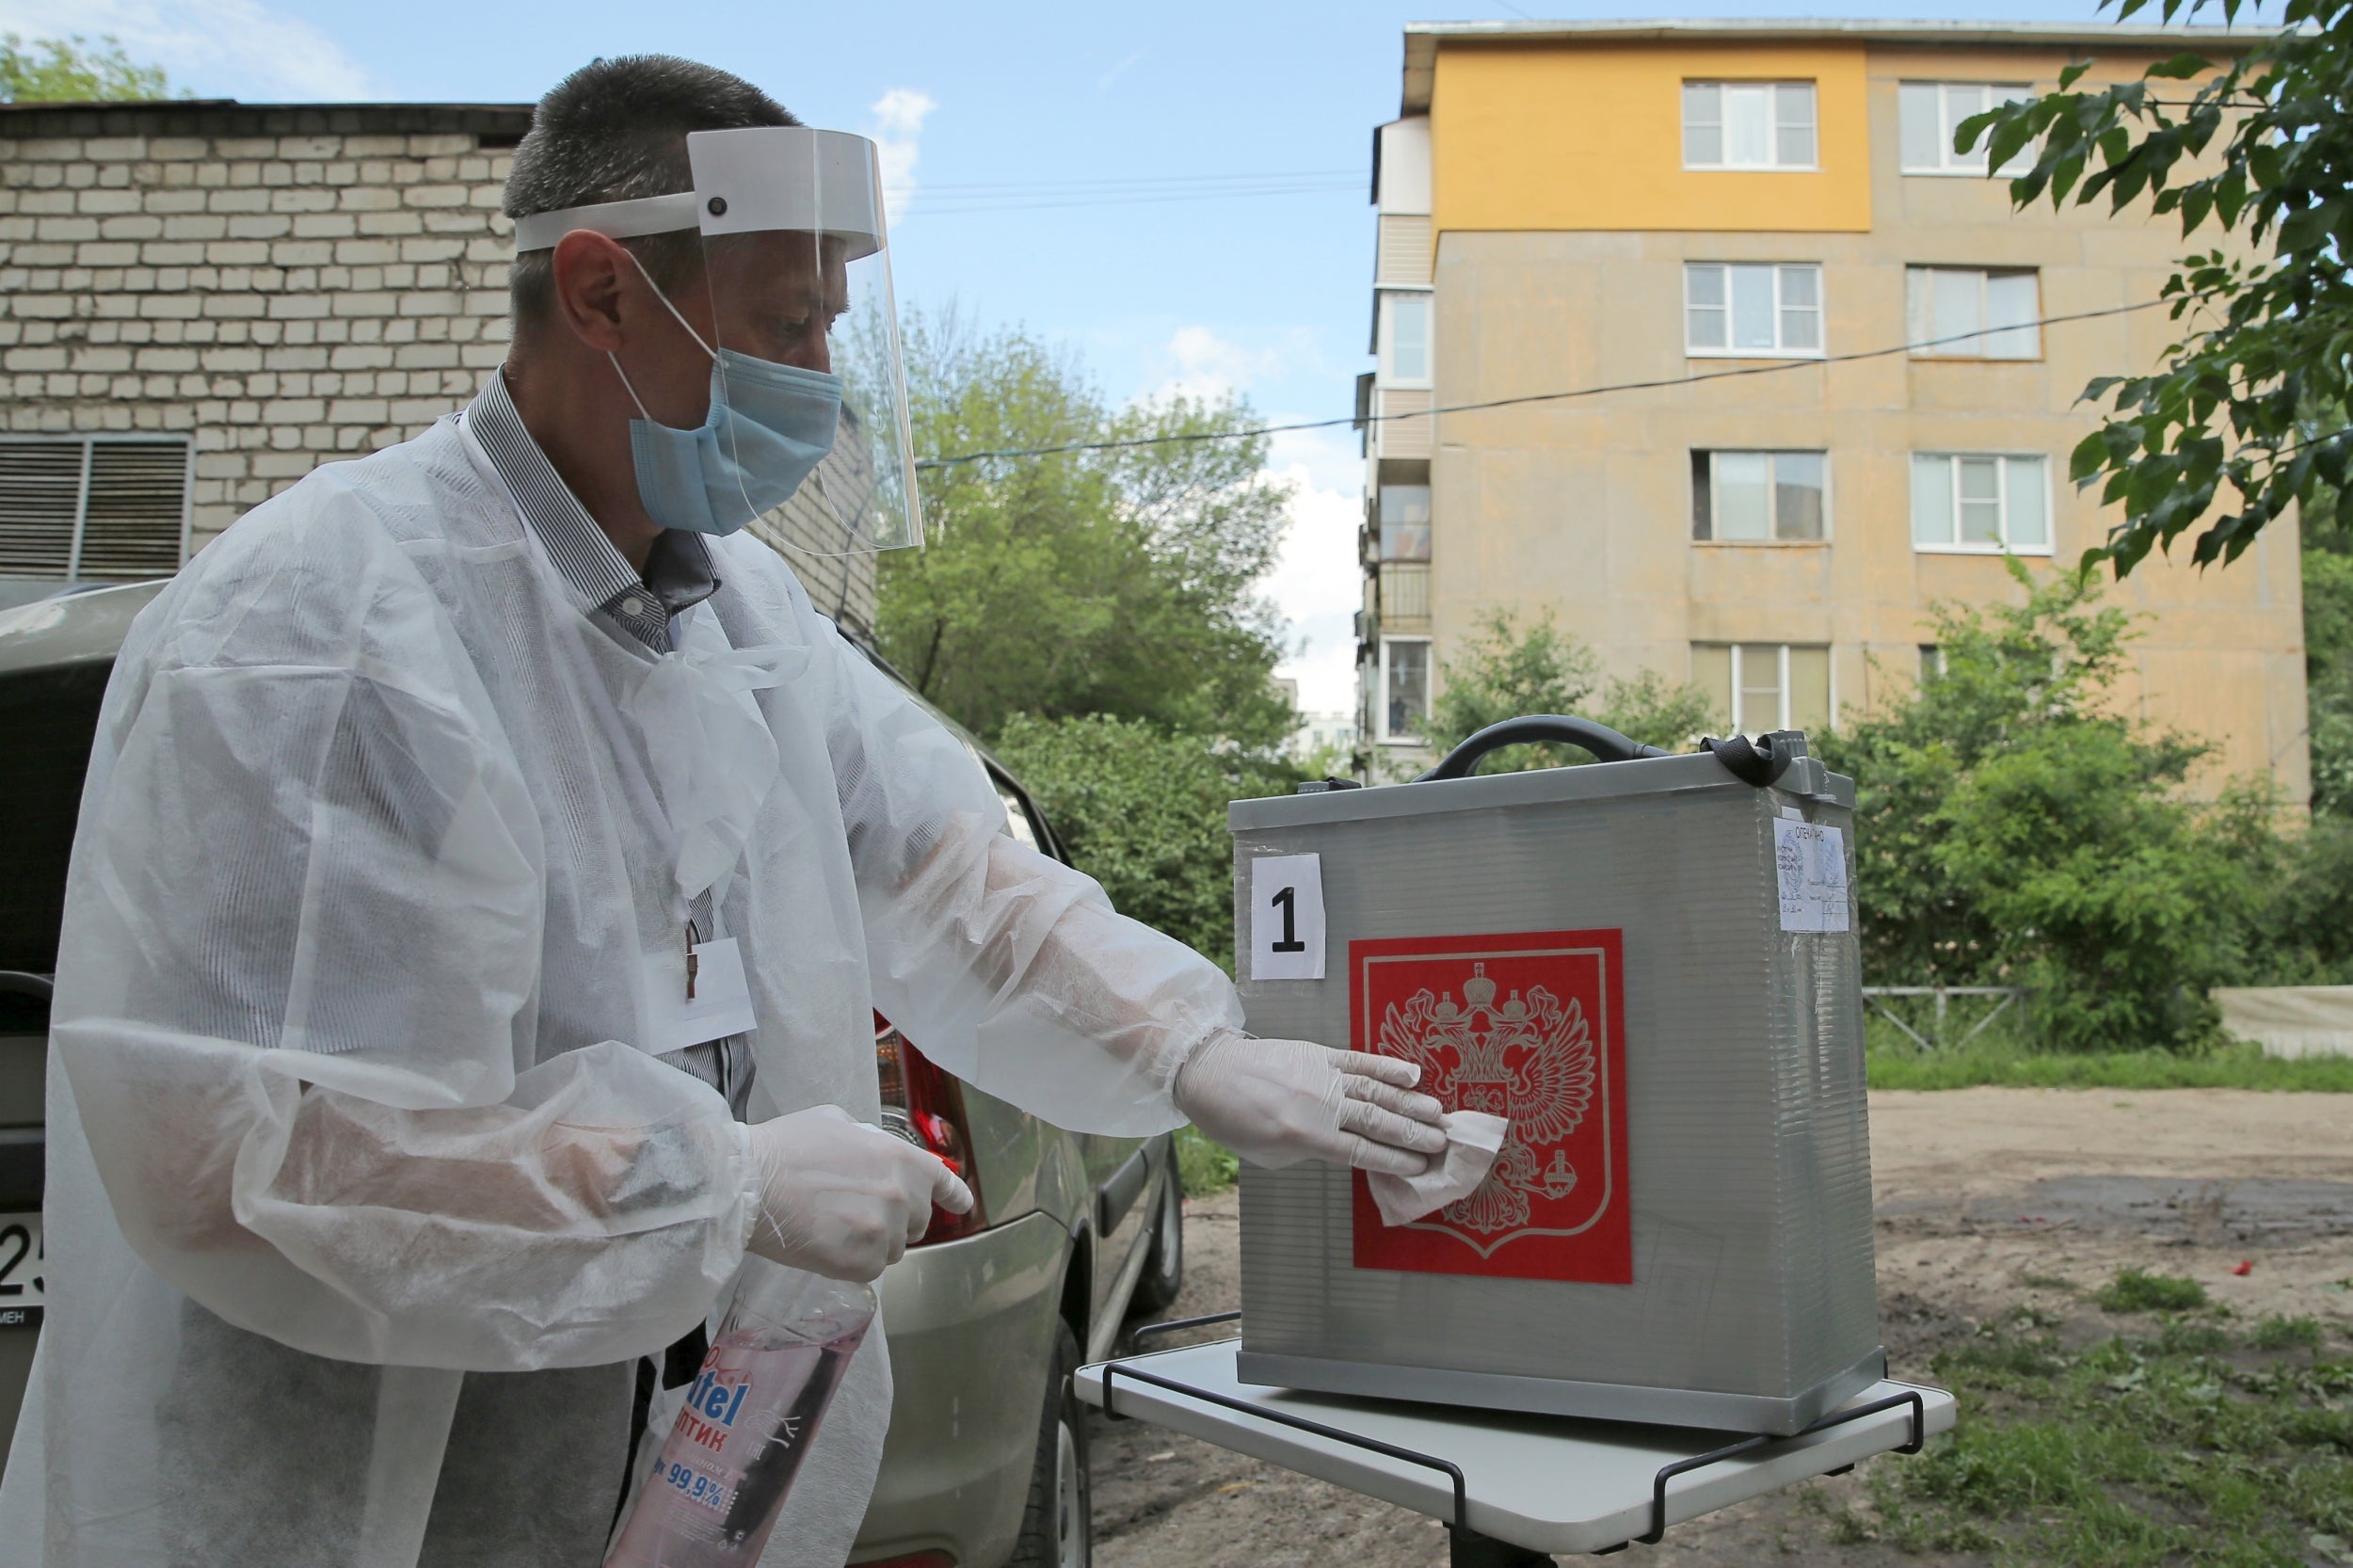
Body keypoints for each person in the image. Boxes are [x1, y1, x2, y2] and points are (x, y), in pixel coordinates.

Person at [0, 56, 1447, 1568]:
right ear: (604, 292)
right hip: (357, 1491)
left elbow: (952, 870)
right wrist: (722, 1182)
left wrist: (1191, 1050)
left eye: (828, 331)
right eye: (785, 327)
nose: (817, 382)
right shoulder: (323, 622)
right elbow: (235, 1154)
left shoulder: (735, 609)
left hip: (662, 1476)